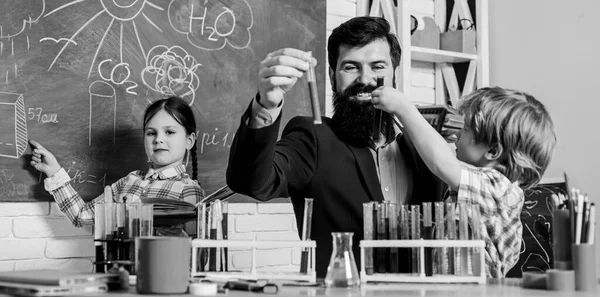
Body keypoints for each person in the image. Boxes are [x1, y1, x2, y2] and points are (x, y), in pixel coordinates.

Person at [226, 16, 446, 277]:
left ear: (394, 74)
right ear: (332, 77)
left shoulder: (426, 149)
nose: (365, 79)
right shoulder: (313, 138)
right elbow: (251, 181)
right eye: (351, 67)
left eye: (378, 66)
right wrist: (266, 104)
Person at [372, 86, 557, 277]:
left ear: (492, 151)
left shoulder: (499, 190)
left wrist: (403, 108)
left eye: (465, 130)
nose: (457, 136)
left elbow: (441, 163)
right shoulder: (471, 193)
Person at [30, 96, 205, 236]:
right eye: (151, 133)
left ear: (189, 141)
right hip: (118, 271)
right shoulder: (130, 181)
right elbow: (81, 216)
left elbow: (193, 250)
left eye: (169, 132)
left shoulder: (188, 189)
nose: (158, 139)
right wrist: (54, 172)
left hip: (158, 275)